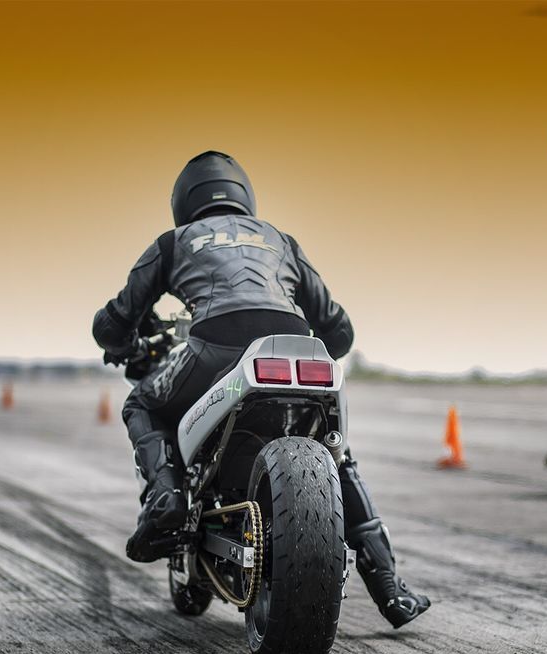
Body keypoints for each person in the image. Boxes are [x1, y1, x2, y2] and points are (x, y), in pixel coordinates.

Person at [91, 151, 430, 628]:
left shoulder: (174, 242)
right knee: (334, 448)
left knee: (141, 402)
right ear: (244, 195)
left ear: (184, 201)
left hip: (212, 345)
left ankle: (165, 499)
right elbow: (339, 330)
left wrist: (126, 345)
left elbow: (113, 323)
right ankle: (389, 587)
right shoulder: (280, 240)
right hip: (290, 339)